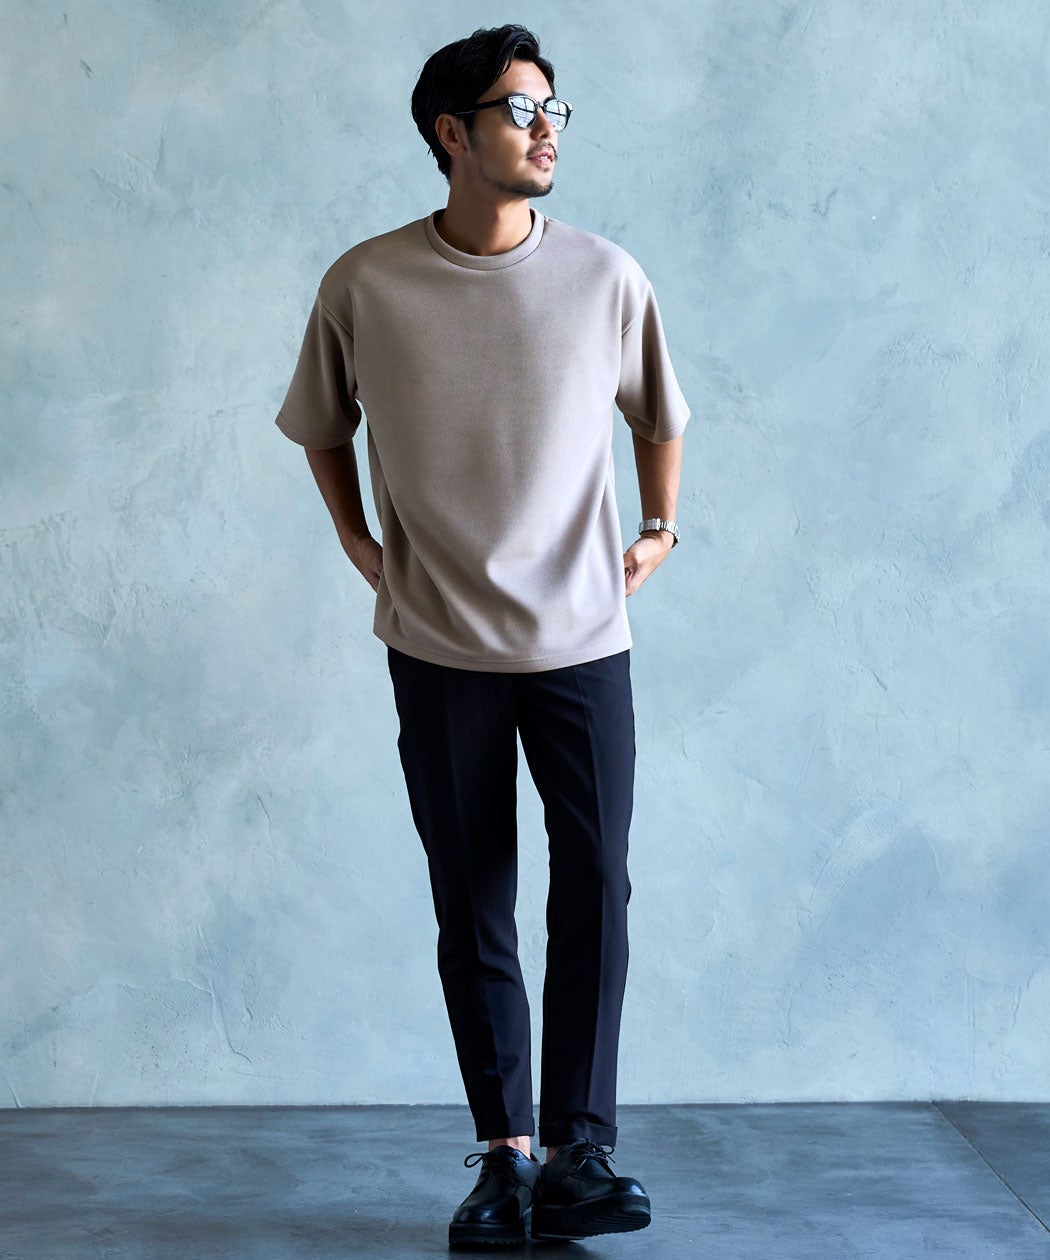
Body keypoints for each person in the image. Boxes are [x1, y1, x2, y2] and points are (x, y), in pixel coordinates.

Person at [273, 23, 690, 1249]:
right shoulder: (367, 283)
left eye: (554, 107)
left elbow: (659, 412)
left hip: (584, 642)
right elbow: (320, 424)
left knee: (596, 883)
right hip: (439, 642)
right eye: (520, 109)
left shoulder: (606, 275)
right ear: (451, 134)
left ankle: (581, 1152)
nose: (546, 128)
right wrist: (358, 540)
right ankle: (505, 1158)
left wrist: (658, 529)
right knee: (474, 900)